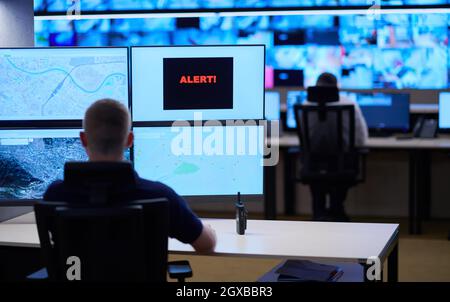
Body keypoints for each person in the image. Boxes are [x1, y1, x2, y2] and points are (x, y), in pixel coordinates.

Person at [43, 99, 216, 253]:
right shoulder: (159, 196)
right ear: (130, 140)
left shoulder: (56, 195)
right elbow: (206, 245)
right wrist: (207, 229)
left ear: (83, 139)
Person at [304, 72, 368, 222]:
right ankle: (336, 209)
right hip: (342, 166)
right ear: (336, 88)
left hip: (313, 167)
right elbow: (361, 139)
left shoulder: (306, 105)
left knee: (318, 181)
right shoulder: (350, 104)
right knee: (337, 180)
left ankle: (319, 213)